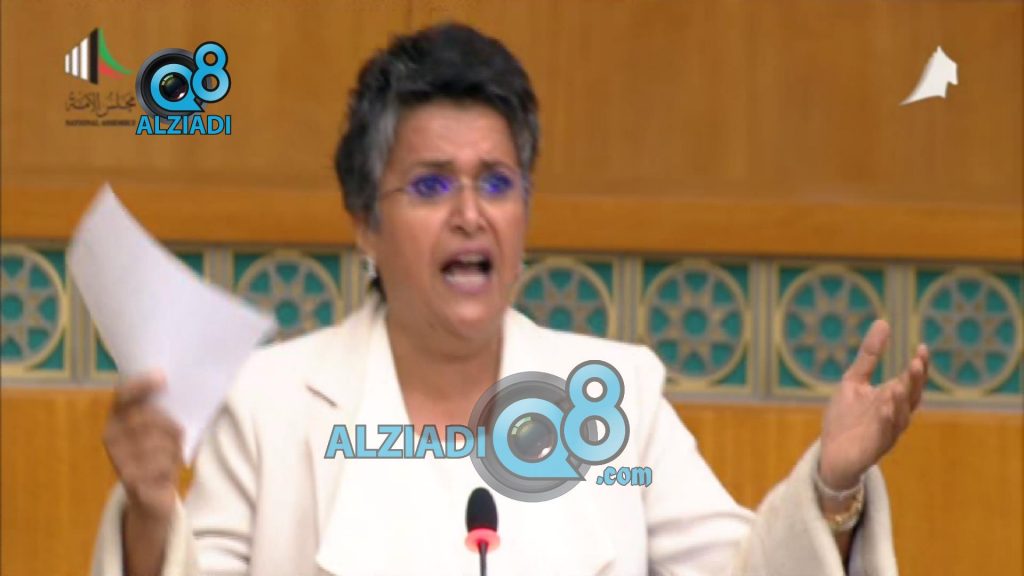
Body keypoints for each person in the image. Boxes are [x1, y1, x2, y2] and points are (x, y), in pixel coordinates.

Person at [92, 22, 929, 575]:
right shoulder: (268, 404)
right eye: (430, 184)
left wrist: (831, 487)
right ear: (365, 224)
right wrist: (150, 515)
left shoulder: (615, 397)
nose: (470, 214)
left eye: (496, 182)